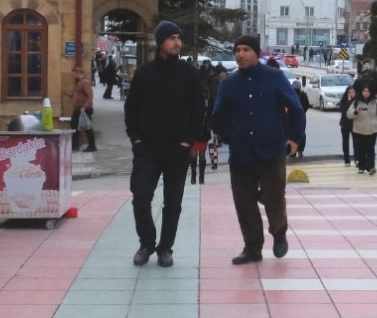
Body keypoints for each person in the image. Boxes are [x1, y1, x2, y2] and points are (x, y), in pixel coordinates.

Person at [212, 34, 306, 265]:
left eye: (246, 50)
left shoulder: (274, 78)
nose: (241, 54)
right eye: (237, 50)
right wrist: (230, 136)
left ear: (256, 53)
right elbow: (217, 117)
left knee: (274, 197)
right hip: (241, 153)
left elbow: (296, 109)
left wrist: (294, 139)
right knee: (244, 203)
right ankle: (252, 248)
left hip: (272, 150)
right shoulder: (229, 83)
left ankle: (279, 232)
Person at [123, 21, 202, 268]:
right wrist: (135, 138)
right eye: (171, 38)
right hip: (147, 148)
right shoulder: (145, 73)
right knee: (141, 194)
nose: (177, 42)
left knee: (173, 202)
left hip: (177, 150)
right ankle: (146, 243)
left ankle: (165, 247)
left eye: (179, 38)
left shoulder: (189, 73)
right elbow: (131, 109)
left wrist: (188, 141)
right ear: (160, 42)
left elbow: (199, 110)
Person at [347, 79, 377, 175]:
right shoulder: (356, 103)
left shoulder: (375, 103)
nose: (366, 93)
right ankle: (361, 167)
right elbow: (348, 114)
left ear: (371, 92)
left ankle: (371, 167)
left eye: (368, 91)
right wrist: (355, 112)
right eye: (364, 91)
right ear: (361, 92)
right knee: (361, 149)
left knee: (370, 149)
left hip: (372, 130)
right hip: (358, 130)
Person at [70, 66, 96, 152]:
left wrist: (84, 107)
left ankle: (92, 146)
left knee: (87, 127)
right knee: (74, 126)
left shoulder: (85, 82)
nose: (73, 76)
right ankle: (75, 145)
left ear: (78, 73)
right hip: (79, 109)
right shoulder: (79, 82)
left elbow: (90, 96)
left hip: (84, 109)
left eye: (74, 74)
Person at [337, 86, 357, 167]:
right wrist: (348, 100)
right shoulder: (344, 101)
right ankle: (347, 160)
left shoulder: (357, 101)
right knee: (345, 143)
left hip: (354, 125)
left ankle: (357, 159)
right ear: (347, 93)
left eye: (353, 92)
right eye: (350, 92)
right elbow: (344, 110)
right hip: (345, 125)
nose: (352, 94)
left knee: (356, 143)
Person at [292, 81, 311, 158]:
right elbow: (307, 105)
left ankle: (293, 151)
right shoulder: (303, 95)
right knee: (301, 133)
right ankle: (300, 150)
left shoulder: (290, 94)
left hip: (292, 117)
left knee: (292, 133)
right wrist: (303, 112)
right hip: (301, 117)